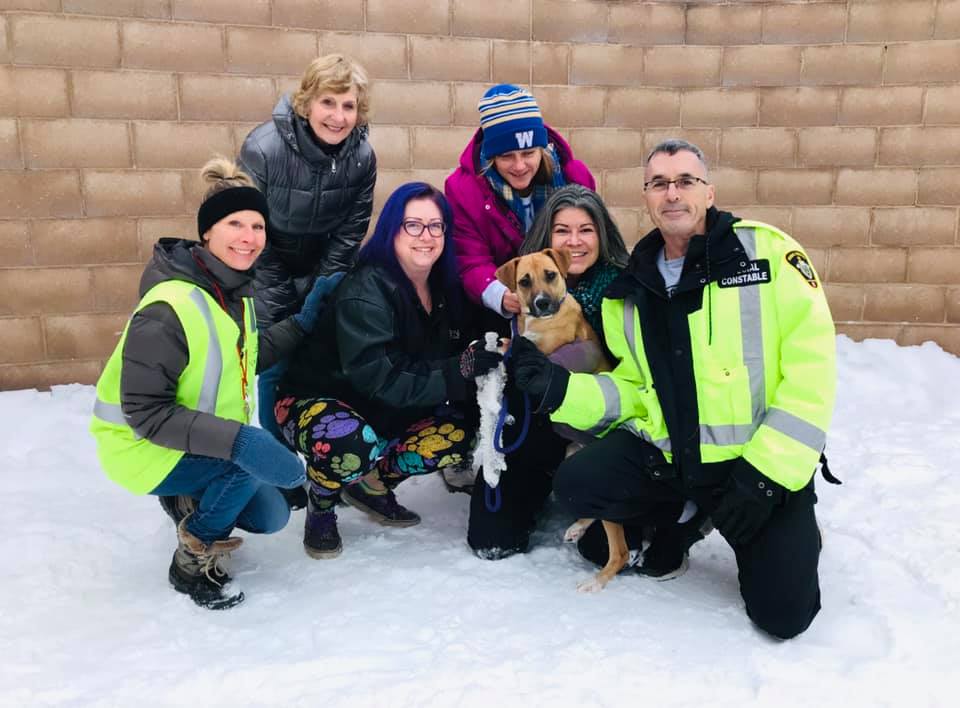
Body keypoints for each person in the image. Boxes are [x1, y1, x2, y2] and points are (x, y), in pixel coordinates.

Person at [511, 139, 836, 639]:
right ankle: (686, 520)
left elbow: (811, 376)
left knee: (783, 615)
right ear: (646, 198)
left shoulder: (769, 254)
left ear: (709, 192)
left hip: (755, 466)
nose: (672, 193)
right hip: (678, 462)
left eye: (685, 180)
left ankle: (787, 521)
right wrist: (561, 389)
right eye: (659, 183)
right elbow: (633, 390)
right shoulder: (633, 288)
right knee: (581, 488)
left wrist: (767, 478)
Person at [90, 158, 333, 610]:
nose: (249, 236)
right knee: (242, 466)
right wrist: (242, 444)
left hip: (192, 438)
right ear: (207, 233)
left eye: (258, 225)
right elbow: (145, 411)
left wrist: (302, 323)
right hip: (138, 447)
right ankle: (191, 558)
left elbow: (243, 359)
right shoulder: (169, 305)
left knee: (271, 515)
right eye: (235, 223)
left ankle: (186, 498)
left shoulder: (231, 293)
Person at [275, 183, 500, 559]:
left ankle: (370, 484)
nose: (425, 236)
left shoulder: (446, 289)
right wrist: (456, 370)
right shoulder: (367, 289)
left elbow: (458, 348)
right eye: (413, 225)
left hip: (385, 409)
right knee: (351, 442)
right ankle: (323, 501)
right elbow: (378, 377)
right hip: (318, 402)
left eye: (435, 226)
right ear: (392, 229)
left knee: (458, 432)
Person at [464, 185, 631, 560]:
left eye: (586, 230)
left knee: (600, 547)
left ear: (602, 233)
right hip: (537, 426)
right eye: (562, 230)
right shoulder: (526, 286)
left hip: (604, 425)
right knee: (492, 537)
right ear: (548, 237)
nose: (574, 241)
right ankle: (540, 487)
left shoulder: (625, 287)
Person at [239, 53, 377, 506]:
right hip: (266, 267)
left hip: (326, 270)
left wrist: (322, 287)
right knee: (273, 364)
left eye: (349, 106)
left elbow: (352, 228)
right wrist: (286, 299)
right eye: (328, 102)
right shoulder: (264, 148)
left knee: (326, 365)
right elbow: (249, 229)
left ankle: (331, 460)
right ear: (306, 103)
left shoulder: (362, 156)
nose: (338, 116)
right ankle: (282, 472)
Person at [445, 83, 595, 323]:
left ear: (542, 148)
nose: (519, 166)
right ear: (491, 156)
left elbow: (592, 242)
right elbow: (470, 260)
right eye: (506, 156)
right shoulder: (464, 191)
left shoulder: (573, 178)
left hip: (570, 300)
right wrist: (500, 295)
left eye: (528, 153)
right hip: (500, 311)